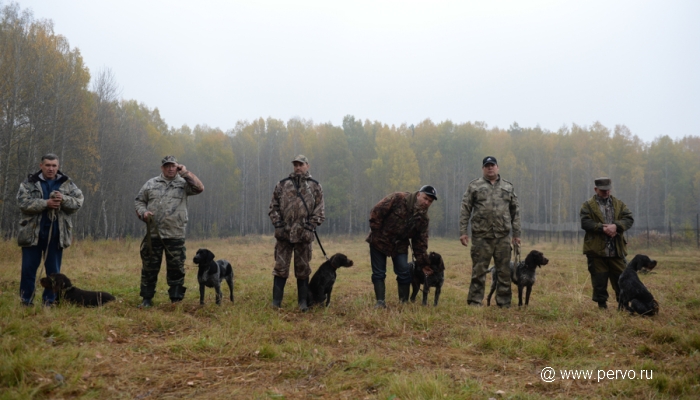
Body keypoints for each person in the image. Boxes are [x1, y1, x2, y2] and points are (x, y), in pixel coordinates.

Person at [134, 155, 204, 308]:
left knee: (176, 268)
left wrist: (185, 173)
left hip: (175, 233)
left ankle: (176, 299)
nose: (170, 168)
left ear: (177, 166)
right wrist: (143, 213)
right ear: (162, 168)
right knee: (149, 268)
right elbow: (139, 201)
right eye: (167, 166)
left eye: (173, 166)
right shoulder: (151, 184)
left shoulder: (184, 183)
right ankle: (146, 299)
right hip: (154, 234)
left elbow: (199, 188)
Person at [17, 153, 84, 306]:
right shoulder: (29, 183)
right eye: (47, 165)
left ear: (58, 167)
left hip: (56, 236)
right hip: (31, 235)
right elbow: (22, 203)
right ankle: (26, 301)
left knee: (53, 273)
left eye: (54, 166)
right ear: (41, 166)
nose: (51, 169)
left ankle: (49, 302)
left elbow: (78, 203)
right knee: (28, 271)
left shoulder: (67, 184)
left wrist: (63, 199)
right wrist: (45, 203)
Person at [459, 156, 521, 308]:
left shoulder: (508, 187)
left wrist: (517, 234)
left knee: (504, 272)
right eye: (487, 166)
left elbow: (515, 212)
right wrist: (463, 231)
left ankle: (504, 303)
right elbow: (465, 209)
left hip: (503, 237)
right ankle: (475, 301)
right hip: (481, 237)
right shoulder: (474, 186)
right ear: (483, 169)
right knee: (478, 271)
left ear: (497, 167)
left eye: (492, 165)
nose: (490, 168)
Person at [268, 155, 325, 311]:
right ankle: (276, 303)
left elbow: (320, 212)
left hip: (304, 237)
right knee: (280, 268)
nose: (298, 167)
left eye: (301, 164)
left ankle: (303, 303)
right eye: (295, 165)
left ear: (307, 165)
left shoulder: (315, 187)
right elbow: (273, 208)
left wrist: (309, 228)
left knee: (303, 269)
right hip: (284, 235)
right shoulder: (282, 185)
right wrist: (278, 225)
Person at [367, 185, 438, 308]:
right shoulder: (398, 198)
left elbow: (420, 243)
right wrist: (377, 233)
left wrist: (423, 264)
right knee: (379, 273)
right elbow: (376, 212)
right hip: (380, 240)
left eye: (430, 201)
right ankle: (380, 302)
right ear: (418, 195)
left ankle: (403, 303)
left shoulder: (423, 219)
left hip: (400, 244)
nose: (426, 203)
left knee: (404, 271)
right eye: (425, 198)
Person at [580, 177, 634, 309]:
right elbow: (585, 222)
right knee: (599, 279)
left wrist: (616, 226)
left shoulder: (619, 204)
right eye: (603, 190)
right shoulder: (588, 205)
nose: (606, 192)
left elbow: (629, 218)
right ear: (595, 189)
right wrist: (602, 228)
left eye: (608, 190)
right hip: (596, 250)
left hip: (616, 249)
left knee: (621, 278)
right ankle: (602, 305)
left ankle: (623, 306)